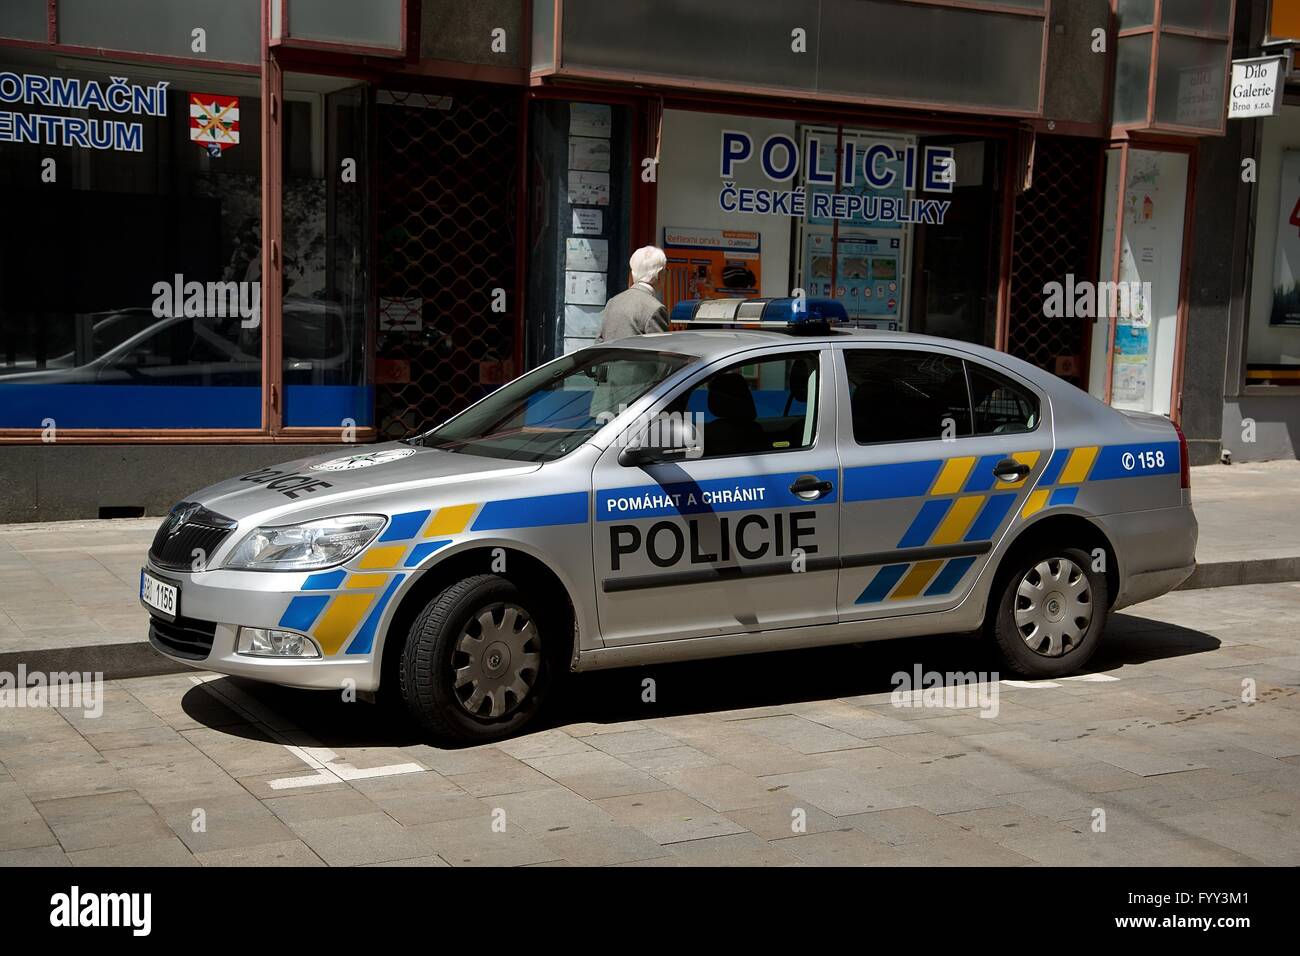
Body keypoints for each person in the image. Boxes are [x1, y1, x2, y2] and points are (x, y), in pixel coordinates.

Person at [596, 246, 669, 342]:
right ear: (659, 275)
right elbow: (659, 349)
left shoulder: (612, 302)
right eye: (666, 271)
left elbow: (599, 342)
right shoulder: (655, 308)